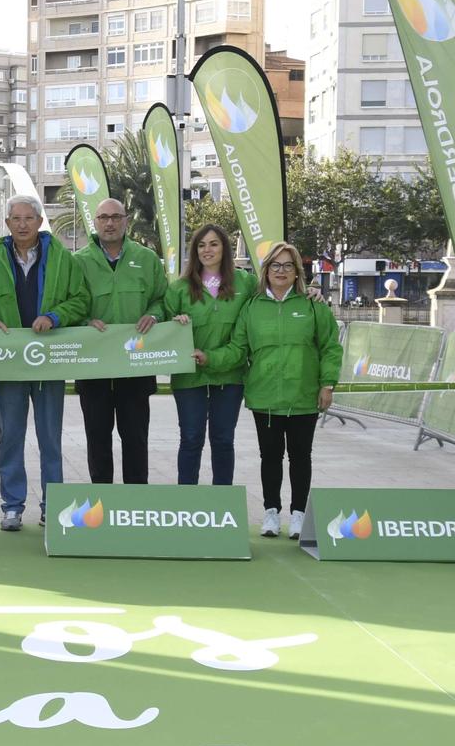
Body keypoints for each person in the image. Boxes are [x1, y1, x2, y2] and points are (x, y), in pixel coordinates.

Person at [201, 241, 339, 538]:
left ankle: (299, 515)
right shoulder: (252, 307)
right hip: (265, 397)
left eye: (288, 265)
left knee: (301, 456)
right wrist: (209, 358)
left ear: (297, 272)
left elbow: (330, 347)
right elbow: (238, 349)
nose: (281, 271)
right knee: (270, 456)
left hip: (304, 396)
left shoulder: (313, 305)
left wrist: (327, 384)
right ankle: (271, 513)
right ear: (266, 271)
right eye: (275, 265)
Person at [0, 196, 87, 530]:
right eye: (16, 218)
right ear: (7, 223)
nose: (23, 224)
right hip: (10, 362)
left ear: (40, 220)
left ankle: (52, 504)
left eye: (29, 218)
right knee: (10, 437)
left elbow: (81, 300)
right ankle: (12, 506)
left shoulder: (62, 258)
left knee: (50, 438)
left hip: (49, 362)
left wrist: (54, 316)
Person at [72, 198, 168, 485]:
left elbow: (162, 299)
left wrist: (154, 313)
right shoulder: (79, 261)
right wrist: (84, 322)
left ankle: (135, 500)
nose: (110, 223)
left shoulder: (147, 258)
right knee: (97, 438)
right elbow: (69, 303)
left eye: (116, 217)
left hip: (135, 365)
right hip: (93, 366)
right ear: (95, 221)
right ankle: (103, 499)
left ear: (126, 220)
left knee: (136, 438)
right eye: (103, 217)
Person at [164, 224, 256, 486]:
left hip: (229, 376)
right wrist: (174, 322)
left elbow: (273, 296)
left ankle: (222, 500)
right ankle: (188, 501)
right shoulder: (179, 288)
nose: (208, 250)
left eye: (214, 244)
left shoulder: (246, 283)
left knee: (223, 439)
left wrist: (310, 291)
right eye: (202, 245)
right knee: (191, 438)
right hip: (189, 378)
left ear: (224, 248)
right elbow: (164, 327)